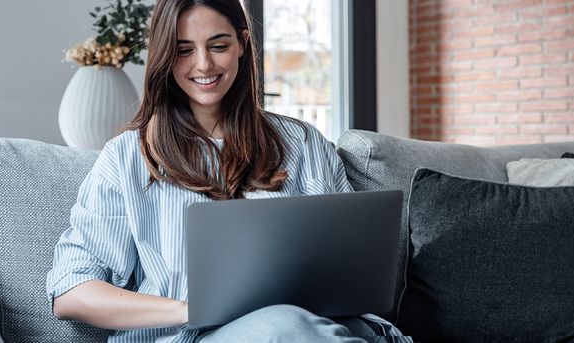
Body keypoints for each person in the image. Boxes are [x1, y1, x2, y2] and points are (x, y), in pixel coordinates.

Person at [46, 0, 411, 342]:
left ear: (242, 43)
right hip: (197, 334)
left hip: (315, 326)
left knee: (309, 326)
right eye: (184, 49)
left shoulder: (303, 143)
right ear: (163, 56)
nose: (203, 64)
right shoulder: (127, 157)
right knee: (282, 326)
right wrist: (189, 310)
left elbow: (351, 267)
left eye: (218, 45)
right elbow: (72, 291)